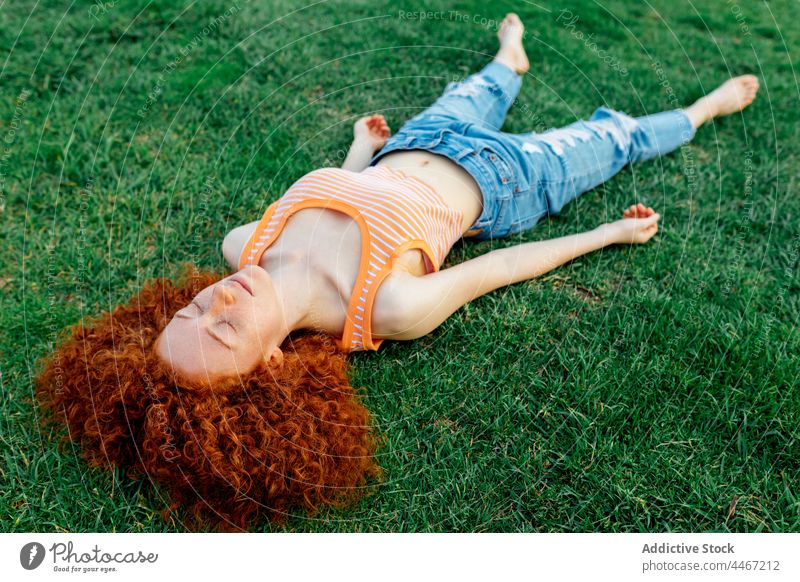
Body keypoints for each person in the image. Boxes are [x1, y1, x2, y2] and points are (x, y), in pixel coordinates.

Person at [35, 13, 759, 530]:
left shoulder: (242, 244)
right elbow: (501, 268)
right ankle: (704, 108)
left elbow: (328, 198)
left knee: (486, 84)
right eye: (225, 333)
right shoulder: (384, 308)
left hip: (419, 140)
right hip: (510, 181)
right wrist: (608, 233)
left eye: (191, 312)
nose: (215, 303)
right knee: (615, 137)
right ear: (271, 368)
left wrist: (358, 152)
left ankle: (512, 57)